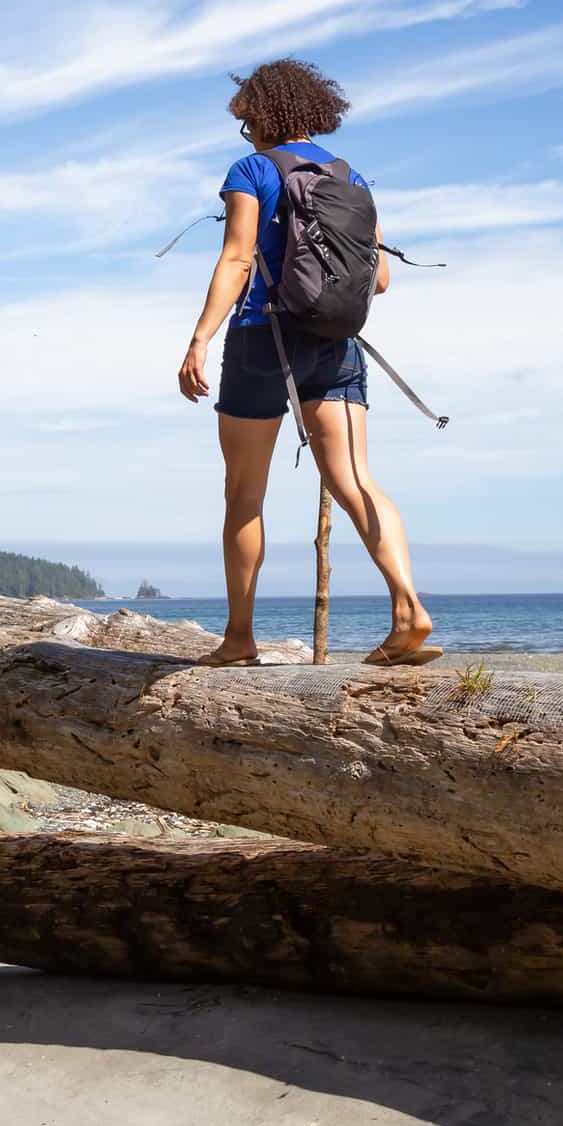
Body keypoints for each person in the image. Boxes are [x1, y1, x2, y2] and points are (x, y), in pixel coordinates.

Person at [176, 57, 437, 668]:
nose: (246, 133)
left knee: (244, 495)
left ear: (262, 117)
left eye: (247, 121)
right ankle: (408, 609)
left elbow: (237, 259)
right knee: (355, 480)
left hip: (260, 338)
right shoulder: (352, 176)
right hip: (336, 340)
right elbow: (383, 278)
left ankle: (240, 640)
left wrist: (198, 340)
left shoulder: (252, 170)